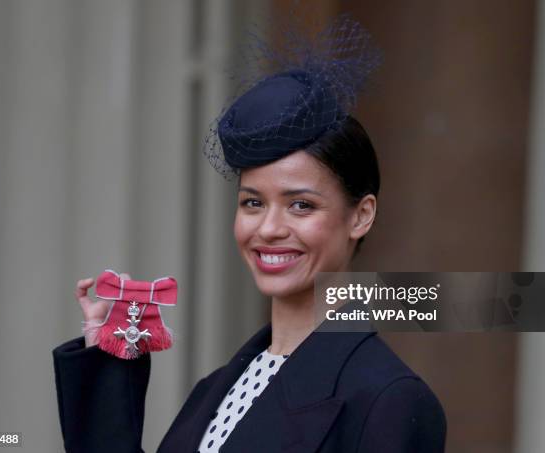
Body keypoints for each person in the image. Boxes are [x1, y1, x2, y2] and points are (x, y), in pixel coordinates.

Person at [52, 14, 447, 453]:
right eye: (252, 203)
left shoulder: (388, 399)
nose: (269, 229)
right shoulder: (216, 390)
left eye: (301, 205)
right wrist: (109, 357)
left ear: (361, 215)